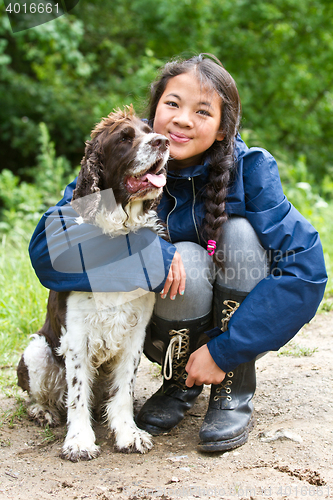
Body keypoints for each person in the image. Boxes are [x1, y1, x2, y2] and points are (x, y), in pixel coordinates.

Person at [29, 53, 327, 452]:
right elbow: (51, 247)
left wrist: (223, 352)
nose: (183, 119)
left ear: (223, 129)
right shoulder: (123, 169)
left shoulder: (250, 172)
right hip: (161, 333)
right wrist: (150, 253)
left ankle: (231, 386)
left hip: (227, 342)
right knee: (184, 255)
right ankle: (177, 384)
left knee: (238, 234)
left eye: (203, 111)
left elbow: (305, 270)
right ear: (155, 111)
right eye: (172, 104)